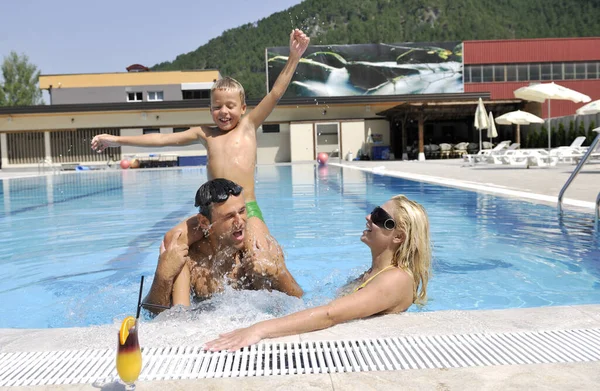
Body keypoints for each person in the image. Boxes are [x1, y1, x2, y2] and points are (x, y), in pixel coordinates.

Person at [91, 29, 310, 298]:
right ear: (210, 109)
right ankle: (179, 303)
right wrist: (115, 140)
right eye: (217, 106)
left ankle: (286, 299)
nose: (223, 112)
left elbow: (276, 92)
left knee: (261, 253)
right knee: (173, 239)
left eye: (230, 106)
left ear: (243, 108)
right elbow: (163, 139)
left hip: (247, 209)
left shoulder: (249, 126)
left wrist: (294, 57)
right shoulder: (204, 133)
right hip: (212, 213)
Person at [203, 195, 431, 352]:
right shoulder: (374, 273)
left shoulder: (396, 279)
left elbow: (330, 314)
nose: (369, 218)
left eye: (380, 217)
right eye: (373, 211)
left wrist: (258, 330)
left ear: (398, 237)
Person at [142, 178, 302, 312]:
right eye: (229, 216)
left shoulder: (257, 247)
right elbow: (175, 318)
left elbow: (299, 299)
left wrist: (277, 273)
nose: (239, 222)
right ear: (205, 222)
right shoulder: (189, 261)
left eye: (242, 211)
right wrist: (162, 276)